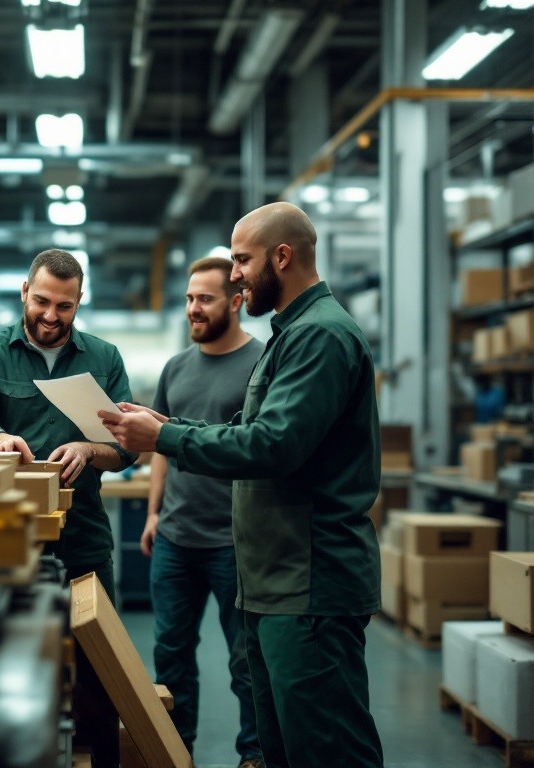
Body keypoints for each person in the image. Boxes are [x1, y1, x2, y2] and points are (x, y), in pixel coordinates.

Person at [100, 202, 384, 768]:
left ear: (282, 257)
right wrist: (167, 427)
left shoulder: (320, 337)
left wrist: (166, 441)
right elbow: (248, 430)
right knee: (281, 747)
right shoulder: (290, 334)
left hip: (309, 584)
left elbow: (273, 446)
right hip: (274, 582)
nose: (233, 275)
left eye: (242, 260)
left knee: (328, 751)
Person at [0, 248, 138, 768]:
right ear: (23, 294)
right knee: (10, 663)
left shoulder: (103, 358)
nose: (51, 316)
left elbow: (126, 447)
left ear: (79, 302)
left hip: (83, 537)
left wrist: (88, 448)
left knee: (98, 671)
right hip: (10, 538)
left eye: (65, 306)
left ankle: (100, 757)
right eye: (41, 302)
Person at [141, 255, 264, 768]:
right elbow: (162, 448)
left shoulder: (261, 363)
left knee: (246, 662)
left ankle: (254, 756)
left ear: (236, 301)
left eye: (205, 299)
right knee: (170, 656)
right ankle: (176, 751)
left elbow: (263, 448)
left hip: (233, 542)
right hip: (174, 537)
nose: (194, 308)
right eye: (190, 298)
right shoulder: (176, 368)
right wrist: (153, 514)